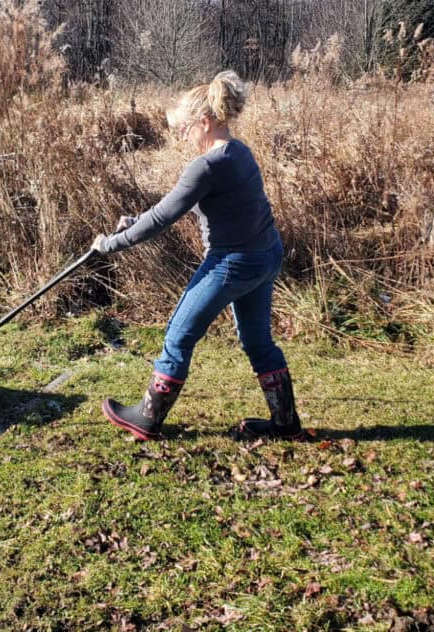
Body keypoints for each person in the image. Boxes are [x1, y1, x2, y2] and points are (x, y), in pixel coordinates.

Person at [90, 70, 306, 442]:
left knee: (178, 334)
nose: (182, 137)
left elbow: (162, 218)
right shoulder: (239, 152)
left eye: (185, 129)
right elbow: (185, 207)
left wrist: (109, 244)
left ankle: (147, 418)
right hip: (265, 255)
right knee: (258, 342)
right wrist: (135, 221)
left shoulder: (205, 166)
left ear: (205, 122)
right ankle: (285, 423)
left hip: (233, 262)